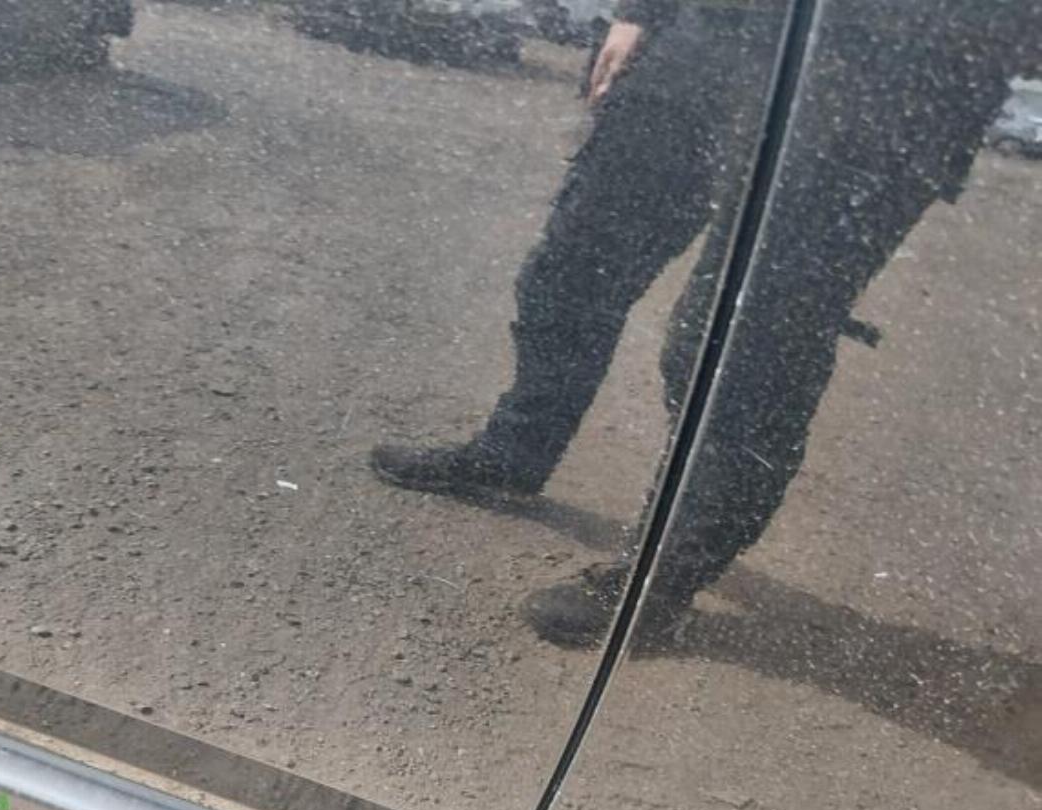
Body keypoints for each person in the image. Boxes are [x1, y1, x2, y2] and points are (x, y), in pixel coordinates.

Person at [371, 0, 1040, 645]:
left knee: (739, 347)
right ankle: (515, 449)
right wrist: (642, 11)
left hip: (888, 75)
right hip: (717, 27)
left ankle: (662, 579)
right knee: (575, 264)